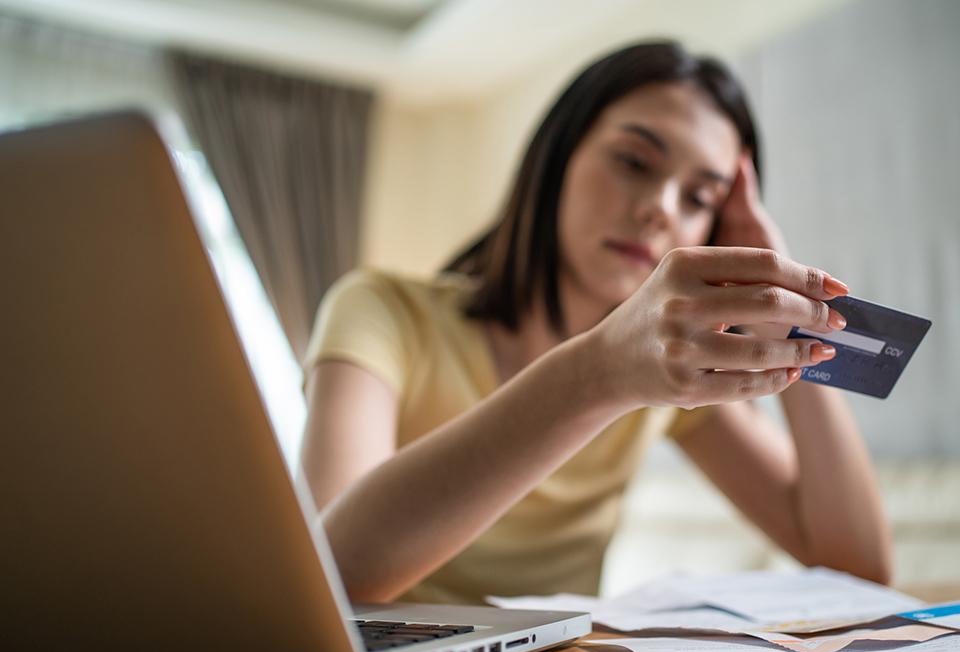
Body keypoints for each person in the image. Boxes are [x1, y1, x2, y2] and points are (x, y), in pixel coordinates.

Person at [299, 41, 892, 605]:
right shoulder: (380, 311)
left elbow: (858, 569)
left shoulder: (666, 381)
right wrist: (599, 373)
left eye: (699, 199)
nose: (660, 207)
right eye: (634, 161)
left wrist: (792, 319)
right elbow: (329, 577)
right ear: (557, 159)